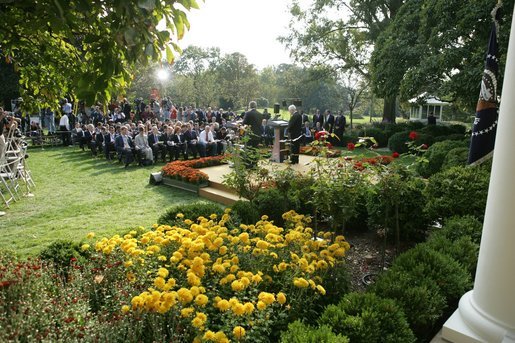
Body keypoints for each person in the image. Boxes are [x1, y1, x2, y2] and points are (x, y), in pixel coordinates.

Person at [242, 101, 262, 168]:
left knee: (249, 149)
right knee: (255, 150)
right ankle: (255, 164)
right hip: (257, 134)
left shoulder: (248, 113)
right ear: (256, 106)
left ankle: (248, 164)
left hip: (250, 135)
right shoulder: (260, 114)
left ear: (250, 106)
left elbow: (244, 123)